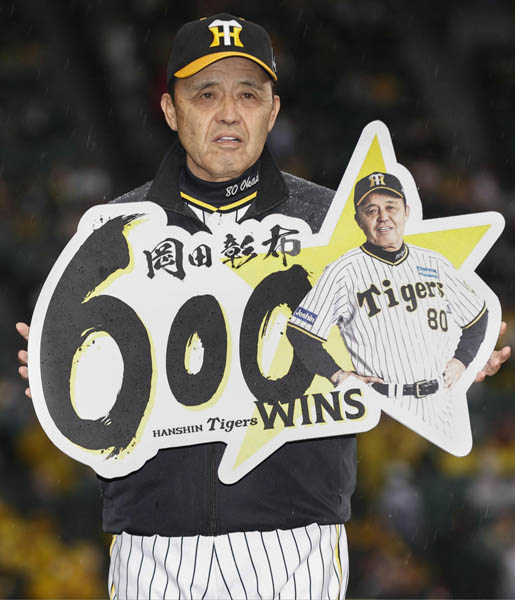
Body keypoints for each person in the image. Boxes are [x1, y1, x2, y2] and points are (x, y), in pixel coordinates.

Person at [15, 15, 511, 600]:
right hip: (153, 543)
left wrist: (453, 355)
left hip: (296, 543)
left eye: (248, 95)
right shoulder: (113, 233)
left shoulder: (333, 224)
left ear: (272, 112)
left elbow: (398, 327)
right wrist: (58, 370)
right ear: (171, 110)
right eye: (206, 94)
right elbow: (85, 378)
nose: (229, 113)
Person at [287, 172, 493, 438]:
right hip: (381, 407)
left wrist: (462, 360)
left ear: (406, 212)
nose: (383, 217)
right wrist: (337, 375)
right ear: (358, 220)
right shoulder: (343, 271)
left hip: (441, 401)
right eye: (371, 210)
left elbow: (477, 316)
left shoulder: (434, 263)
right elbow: (300, 332)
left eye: (391, 207)